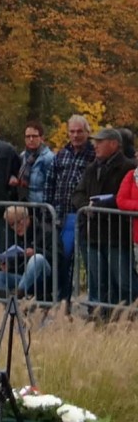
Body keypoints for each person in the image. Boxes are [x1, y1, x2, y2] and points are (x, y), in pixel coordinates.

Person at [76, 126, 135, 310]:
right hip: (92, 232)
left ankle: (129, 315)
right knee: (97, 280)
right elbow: (78, 193)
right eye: (95, 142)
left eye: (100, 142)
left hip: (116, 233)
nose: (95, 145)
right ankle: (99, 317)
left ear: (113, 144)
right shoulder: (92, 168)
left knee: (123, 281)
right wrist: (86, 205)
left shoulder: (129, 167)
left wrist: (102, 206)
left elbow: (126, 198)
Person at [42, 114, 95, 302]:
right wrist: (48, 210)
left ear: (87, 132)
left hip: (82, 216)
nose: (75, 135)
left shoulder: (94, 154)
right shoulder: (61, 154)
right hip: (60, 214)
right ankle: (63, 303)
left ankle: (93, 303)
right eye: (72, 131)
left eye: (79, 131)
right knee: (62, 260)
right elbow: (50, 181)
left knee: (88, 262)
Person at [0, 204, 52, 302]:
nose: (16, 227)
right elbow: (10, 257)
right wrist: (6, 264)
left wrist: (35, 251)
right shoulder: (11, 235)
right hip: (22, 276)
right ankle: (9, 304)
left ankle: (17, 297)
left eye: (18, 222)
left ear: (27, 218)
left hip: (43, 276)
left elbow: (58, 256)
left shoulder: (44, 230)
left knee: (37, 258)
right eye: (11, 224)